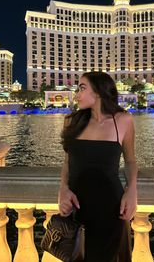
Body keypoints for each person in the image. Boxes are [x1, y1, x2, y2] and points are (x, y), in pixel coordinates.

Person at [59, 71, 138, 262]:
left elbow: (130, 161)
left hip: (111, 208)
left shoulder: (123, 120)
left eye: (82, 88)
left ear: (99, 91)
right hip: (76, 207)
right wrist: (63, 188)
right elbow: (68, 162)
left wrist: (132, 191)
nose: (77, 94)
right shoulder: (72, 121)